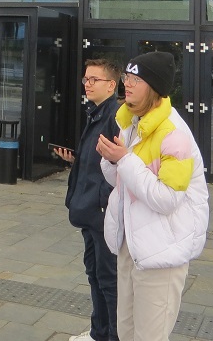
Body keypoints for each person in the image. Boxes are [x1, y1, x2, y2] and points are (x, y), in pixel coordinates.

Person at [96, 51, 209, 341]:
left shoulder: (174, 133)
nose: (127, 84)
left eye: (136, 79)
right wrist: (112, 161)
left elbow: (167, 198)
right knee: (126, 332)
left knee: (149, 336)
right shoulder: (132, 123)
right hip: (131, 246)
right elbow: (123, 183)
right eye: (127, 77)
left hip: (162, 251)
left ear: (154, 87)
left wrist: (124, 160)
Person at [55, 58, 121, 341]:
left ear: (111, 85)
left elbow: (121, 165)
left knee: (109, 279)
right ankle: (99, 332)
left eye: (94, 79)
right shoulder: (95, 113)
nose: (87, 84)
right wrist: (76, 160)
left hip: (101, 212)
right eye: (85, 79)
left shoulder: (115, 117)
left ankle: (114, 335)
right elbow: (98, 161)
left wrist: (103, 201)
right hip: (88, 209)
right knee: (94, 273)